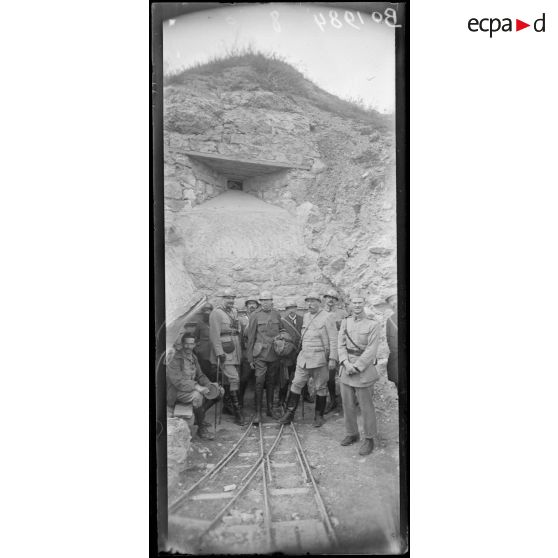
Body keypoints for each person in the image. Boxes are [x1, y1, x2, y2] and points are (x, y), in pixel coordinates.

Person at [279, 291, 338, 427]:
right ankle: (289, 413)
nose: (310, 304)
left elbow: (334, 339)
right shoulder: (305, 316)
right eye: (308, 301)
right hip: (304, 357)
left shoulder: (328, 317)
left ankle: (319, 416)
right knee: (296, 383)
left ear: (319, 303)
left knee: (321, 387)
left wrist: (333, 359)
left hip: (320, 358)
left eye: (313, 301)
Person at [338, 292, 380, 456]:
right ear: (350, 304)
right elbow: (340, 345)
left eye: (359, 302)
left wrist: (357, 366)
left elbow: (372, 349)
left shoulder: (372, 324)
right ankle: (352, 433)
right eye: (354, 302)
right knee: (347, 405)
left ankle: (369, 438)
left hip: (363, 371)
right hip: (346, 370)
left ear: (364, 304)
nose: (356, 305)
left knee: (366, 407)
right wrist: (346, 363)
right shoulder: (345, 322)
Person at [166, 335, 223, 440]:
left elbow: (200, 375)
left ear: (195, 344)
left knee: (218, 393)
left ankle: (199, 417)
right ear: (182, 344)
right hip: (176, 392)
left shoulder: (193, 357)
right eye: (186, 343)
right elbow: (178, 382)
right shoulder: (175, 358)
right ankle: (201, 429)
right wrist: (197, 387)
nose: (188, 346)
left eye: (191, 344)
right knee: (197, 396)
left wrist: (210, 385)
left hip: (188, 390)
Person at [209, 288, 245, 426]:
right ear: (222, 298)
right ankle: (238, 413)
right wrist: (219, 352)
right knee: (234, 378)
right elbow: (214, 334)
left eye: (232, 298)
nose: (230, 300)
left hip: (236, 350)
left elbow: (237, 331)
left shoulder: (234, 311)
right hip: (225, 351)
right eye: (227, 298)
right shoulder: (216, 313)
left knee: (232, 379)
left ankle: (227, 407)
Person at [245, 291, 283, 424]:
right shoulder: (255, 315)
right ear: (260, 301)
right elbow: (250, 338)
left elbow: (282, 331)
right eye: (263, 300)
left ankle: (270, 409)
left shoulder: (277, 313)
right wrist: (250, 358)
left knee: (271, 382)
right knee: (259, 382)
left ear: (272, 301)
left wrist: (281, 341)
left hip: (274, 354)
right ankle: (258, 412)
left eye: (269, 300)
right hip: (260, 355)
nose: (266, 303)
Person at [322, 289, 348, 414]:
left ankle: (348, 402)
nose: (330, 300)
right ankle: (332, 401)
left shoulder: (343, 313)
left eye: (333, 298)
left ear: (337, 301)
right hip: (328, 350)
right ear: (324, 299)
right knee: (330, 378)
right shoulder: (320, 313)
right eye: (328, 297)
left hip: (342, 348)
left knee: (346, 374)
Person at [277, 300, 303, 409]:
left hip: (300, 354)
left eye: (293, 307)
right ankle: (281, 399)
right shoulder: (282, 321)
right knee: (285, 379)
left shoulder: (302, 319)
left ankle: (299, 398)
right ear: (286, 310)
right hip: (287, 355)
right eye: (289, 308)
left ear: (296, 308)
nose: (291, 310)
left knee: (300, 378)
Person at [238, 297, 260, 410]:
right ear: (246, 307)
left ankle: (257, 404)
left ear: (257, 306)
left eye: (254, 304)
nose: (252, 306)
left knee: (259, 379)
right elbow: (240, 338)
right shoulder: (242, 320)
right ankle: (240, 402)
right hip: (246, 352)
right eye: (249, 304)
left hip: (259, 352)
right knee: (244, 378)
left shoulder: (260, 318)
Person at [193, 302, 214, 381]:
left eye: (209, 310)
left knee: (214, 369)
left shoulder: (215, 323)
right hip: (203, 351)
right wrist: (198, 348)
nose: (207, 312)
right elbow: (195, 337)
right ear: (202, 312)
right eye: (205, 310)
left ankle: (214, 387)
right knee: (205, 369)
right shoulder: (200, 323)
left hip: (214, 349)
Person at [385, 293, 398, 387]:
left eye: (395, 299)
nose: (394, 302)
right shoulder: (389, 320)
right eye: (391, 301)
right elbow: (389, 340)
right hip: (396, 358)